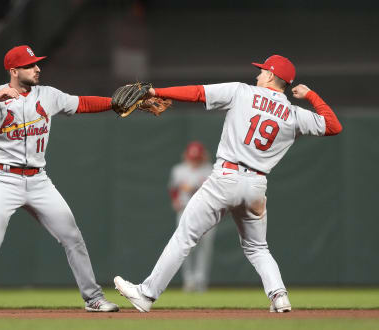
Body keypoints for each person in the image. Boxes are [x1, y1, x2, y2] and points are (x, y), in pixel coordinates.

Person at [114, 55, 343, 312]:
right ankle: (279, 297)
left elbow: (198, 93)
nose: (257, 75)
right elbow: (334, 126)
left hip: (225, 177)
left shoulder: (241, 92)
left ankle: (146, 294)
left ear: (270, 74)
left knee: (185, 236)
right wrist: (311, 94)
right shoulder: (293, 113)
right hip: (256, 185)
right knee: (258, 248)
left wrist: (155, 91)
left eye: (261, 71)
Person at [0, 45, 119, 313]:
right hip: (2, 179)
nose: (37, 68)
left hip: (39, 180)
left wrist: (115, 103)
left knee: (72, 236)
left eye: (36, 64)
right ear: (14, 71)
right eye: (29, 65)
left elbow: (81, 103)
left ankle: (93, 298)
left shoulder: (48, 95)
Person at [169, 141, 214, 292]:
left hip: (206, 213)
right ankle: (189, 281)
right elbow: (173, 188)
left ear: (202, 157)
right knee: (184, 247)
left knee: (204, 248)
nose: (193, 160)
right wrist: (175, 200)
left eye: (197, 158)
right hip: (184, 212)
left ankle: (200, 280)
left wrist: (194, 187)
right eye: (191, 157)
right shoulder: (178, 170)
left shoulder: (210, 170)